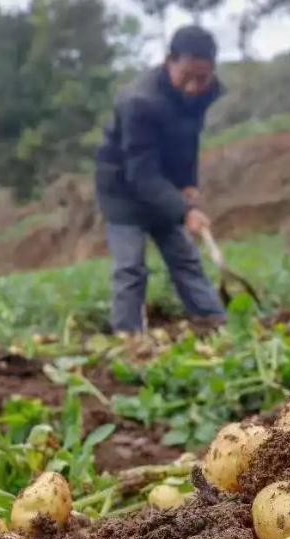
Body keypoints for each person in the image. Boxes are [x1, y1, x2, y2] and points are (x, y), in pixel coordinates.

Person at [95, 25, 226, 334]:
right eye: (187, 77)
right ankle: (128, 339)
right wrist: (184, 210)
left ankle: (217, 323)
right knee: (131, 267)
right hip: (123, 190)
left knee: (185, 259)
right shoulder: (139, 102)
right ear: (170, 61)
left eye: (203, 78)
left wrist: (188, 182)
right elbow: (140, 174)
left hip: (163, 188)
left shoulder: (202, 93)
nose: (194, 87)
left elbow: (188, 140)